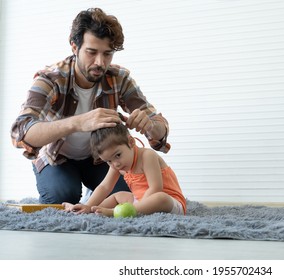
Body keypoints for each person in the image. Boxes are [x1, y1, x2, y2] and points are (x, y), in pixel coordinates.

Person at [10, 8, 170, 204]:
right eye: (91, 52)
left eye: (107, 54)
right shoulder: (51, 78)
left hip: (102, 158)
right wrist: (78, 123)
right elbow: (22, 131)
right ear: (74, 47)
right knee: (62, 196)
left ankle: (91, 195)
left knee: (132, 195)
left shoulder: (119, 78)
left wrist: (151, 126)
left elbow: (159, 126)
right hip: (57, 157)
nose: (100, 63)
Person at [63, 123, 186, 216]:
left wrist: (137, 205)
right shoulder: (117, 165)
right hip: (140, 201)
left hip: (169, 202)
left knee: (160, 197)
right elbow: (105, 187)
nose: (115, 164)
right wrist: (88, 205)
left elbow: (155, 188)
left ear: (131, 142)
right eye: (109, 161)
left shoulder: (147, 156)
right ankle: (89, 211)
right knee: (118, 195)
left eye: (118, 155)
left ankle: (114, 213)